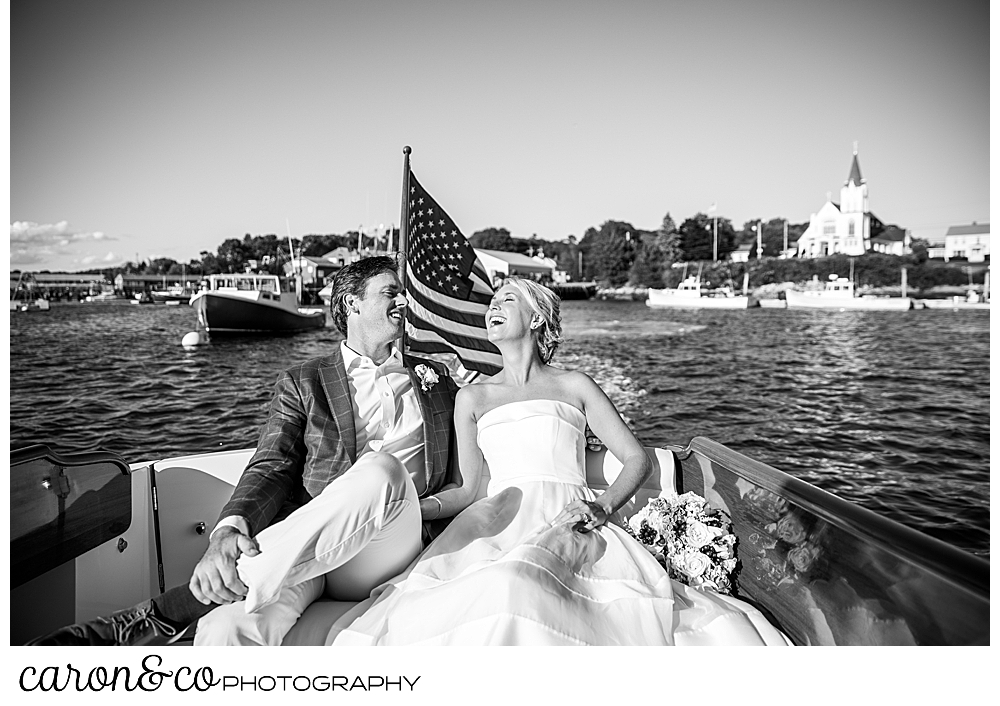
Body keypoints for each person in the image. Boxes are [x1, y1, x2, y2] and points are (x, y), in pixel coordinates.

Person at [326, 277, 789, 646]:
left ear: (536, 319)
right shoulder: (472, 396)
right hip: (495, 520)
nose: (494, 307)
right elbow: (466, 491)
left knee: (523, 582)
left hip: (572, 516)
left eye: (508, 299)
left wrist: (601, 507)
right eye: (493, 302)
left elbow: (634, 460)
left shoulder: (576, 386)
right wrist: (410, 507)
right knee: (498, 582)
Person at [29, 256, 460, 646]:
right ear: (352, 304)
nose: (404, 301)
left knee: (380, 471)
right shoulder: (304, 381)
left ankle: (172, 610)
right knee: (225, 630)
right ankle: (193, 620)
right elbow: (272, 463)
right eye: (391, 292)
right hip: (306, 551)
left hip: (392, 540)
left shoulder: (436, 377)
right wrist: (226, 532)